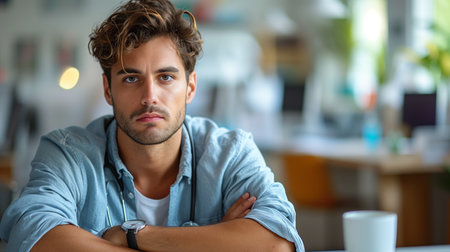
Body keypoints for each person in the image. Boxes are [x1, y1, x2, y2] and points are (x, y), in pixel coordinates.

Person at [0, 0, 304, 251]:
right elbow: (32, 235)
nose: (149, 97)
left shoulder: (229, 153)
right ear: (108, 89)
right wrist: (212, 239)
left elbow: (277, 243)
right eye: (131, 78)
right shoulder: (68, 154)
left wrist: (134, 236)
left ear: (190, 87)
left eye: (166, 77)